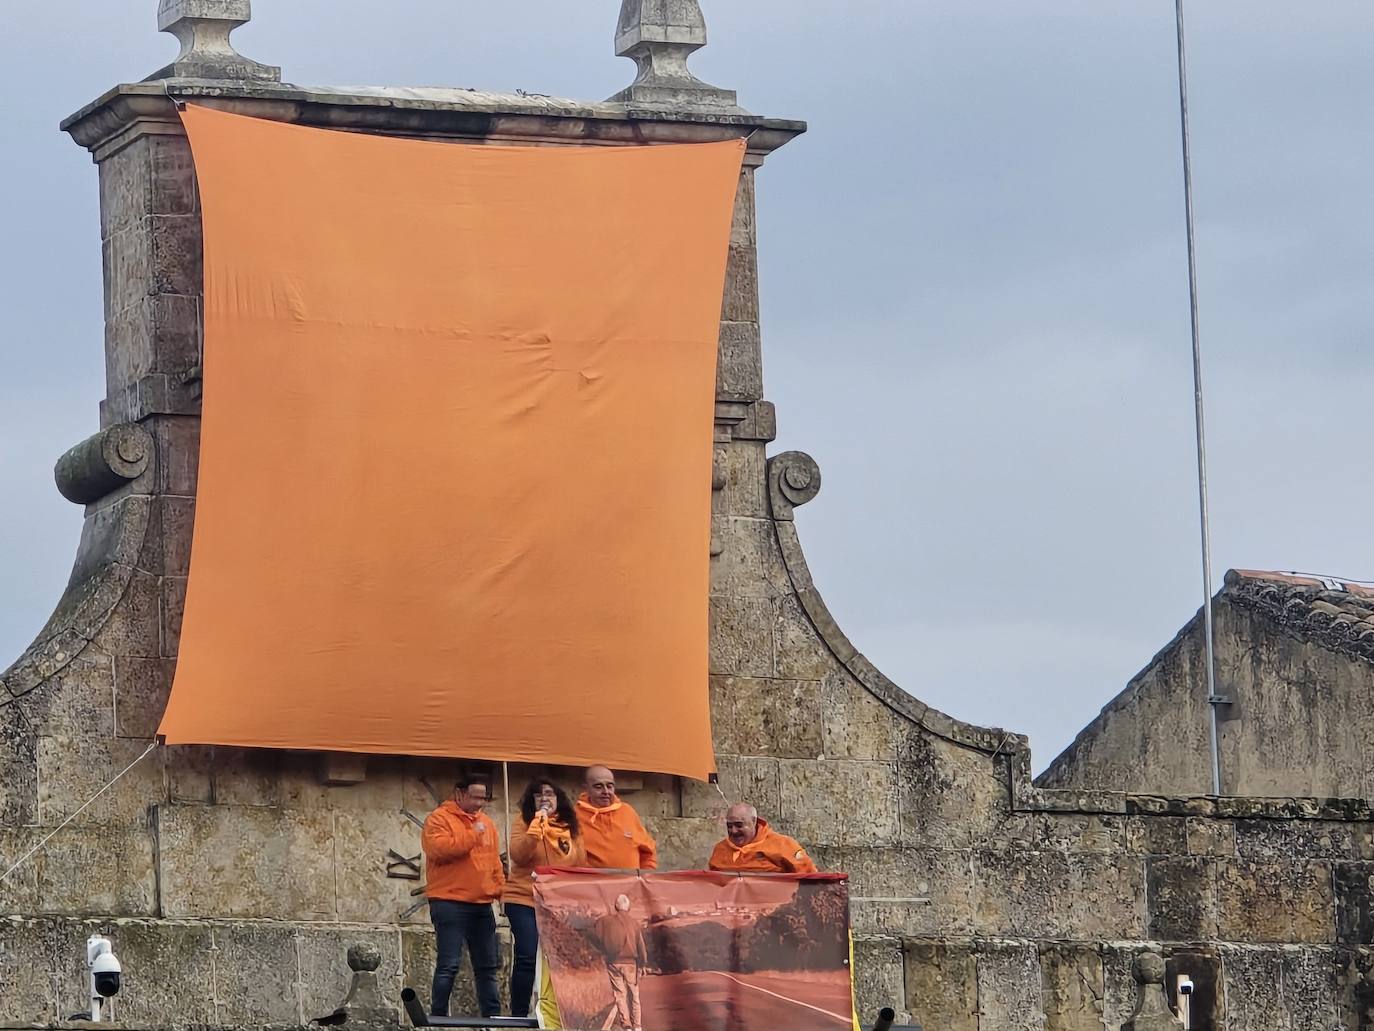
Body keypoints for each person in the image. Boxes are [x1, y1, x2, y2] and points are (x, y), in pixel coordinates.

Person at [421, 776, 505, 1018]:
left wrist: (501, 891)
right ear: (459, 794)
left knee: (487, 967)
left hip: (481, 904)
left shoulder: (487, 823)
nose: (480, 803)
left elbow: (494, 862)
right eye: (475, 797)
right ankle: (438, 1016)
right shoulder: (438, 819)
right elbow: (439, 850)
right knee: (449, 964)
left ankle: (492, 1017)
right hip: (449, 902)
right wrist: (471, 835)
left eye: (484, 798)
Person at [502, 777, 586, 1019]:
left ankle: (559, 1012)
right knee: (528, 953)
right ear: (532, 801)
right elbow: (519, 855)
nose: (545, 798)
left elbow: (580, 864)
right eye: (539, 795)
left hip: (557, 903)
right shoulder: (523, 823)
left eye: (549, 793)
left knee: (559, 958)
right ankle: (518, 1013)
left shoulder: (570, 827)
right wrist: (537, 826)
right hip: (524, 899)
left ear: (558, 799)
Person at [576, 766, 657, 870]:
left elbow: (648, 850)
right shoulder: (574, 815)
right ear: (586, 788)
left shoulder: (627, 811)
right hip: (593, 884)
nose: (606, 791)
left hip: (631, 883)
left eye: (610, 786)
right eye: (598, 786)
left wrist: (645, 875)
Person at [589, 893, 648, 1031]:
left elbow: (593, 933)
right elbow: (641, 947)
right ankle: (637, 1026)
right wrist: (643, 964)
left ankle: (626, 1025)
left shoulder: (606, 921)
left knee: (620, 994)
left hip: (613, 962)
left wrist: (601, 950)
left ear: (616, 906)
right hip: (631, 964)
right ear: (629, 907)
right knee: (634, 995)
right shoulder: (634, 923)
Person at [708, 802, 818, 874]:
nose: (733, 831)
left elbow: (811, 878)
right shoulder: (720, 849)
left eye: (739, 825)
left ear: (754, 821)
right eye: (729, 826)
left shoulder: (782, 844)